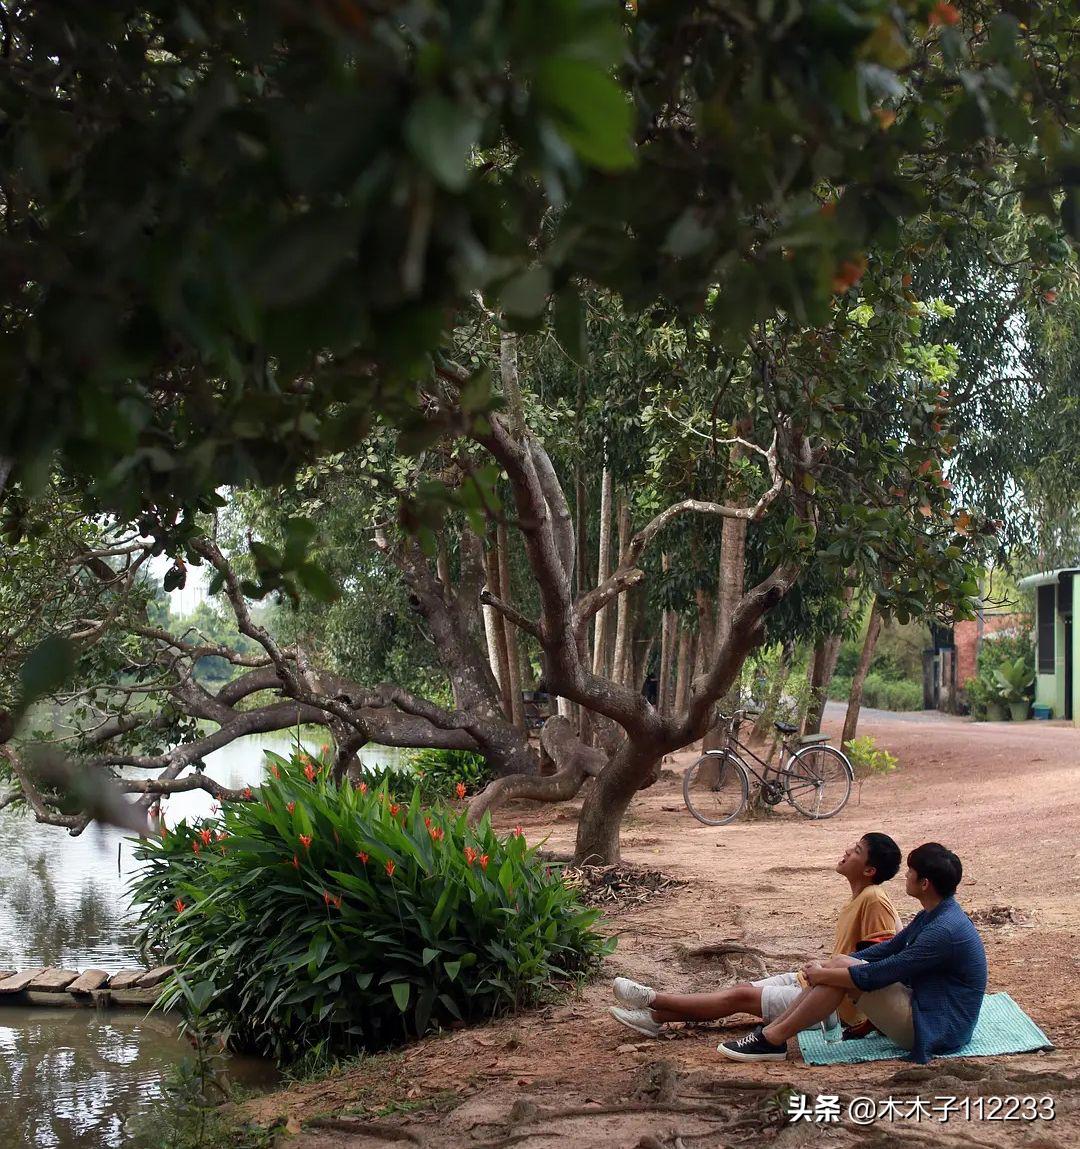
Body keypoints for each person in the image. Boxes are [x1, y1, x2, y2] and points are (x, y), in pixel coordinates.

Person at [716, 842, 988, 1064]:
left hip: (937, 1028)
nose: (906, 876)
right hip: (927, 1009)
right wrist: (832, 966)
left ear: (925, 883)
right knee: (840, 967)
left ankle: (772, 1040)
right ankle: (771, 1036)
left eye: (910, 872)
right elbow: (890, 947)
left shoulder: (944, 931)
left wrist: (828, 973)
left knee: (841, 977)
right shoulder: (935, 914)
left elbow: (886, 971)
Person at [610, 832, 902, 1038]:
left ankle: (652, 1000)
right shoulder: (860, 897)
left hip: (831, 1005)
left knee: (740, 996)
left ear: (870, 870)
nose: (849, 851)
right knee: (741, 989)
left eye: (858, 851)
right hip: (816, 981)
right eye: (853, 845)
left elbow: (880, 965)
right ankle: (655, 1018)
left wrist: (836, 989)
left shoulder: (875, 899)